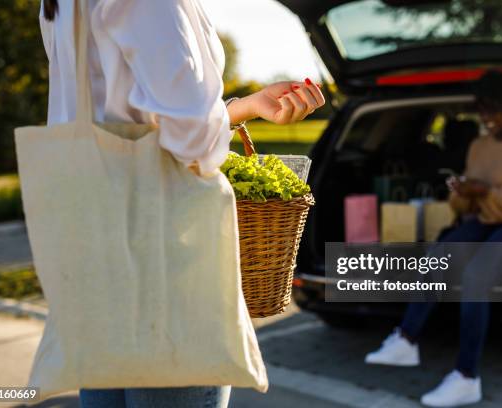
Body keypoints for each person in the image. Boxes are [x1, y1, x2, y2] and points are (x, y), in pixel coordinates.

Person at [39, 0, 325, 407]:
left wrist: (244, 108)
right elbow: (188, 139)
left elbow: (135, 119)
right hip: (165, 261)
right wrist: (213, 122)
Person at [364, 71, 502, 407]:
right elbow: (466, 204)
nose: (487, 119)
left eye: (494, 110)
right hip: (486, 217)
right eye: (482, 110)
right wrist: (462, 193)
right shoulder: (479, 146)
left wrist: (486, 192)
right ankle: (406, 340)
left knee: (475, 277)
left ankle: (467, 377)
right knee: (439, 254)